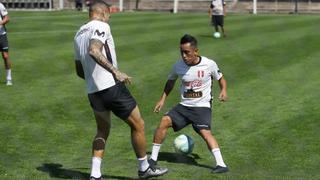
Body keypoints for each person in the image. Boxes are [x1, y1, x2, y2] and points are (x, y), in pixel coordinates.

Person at [73, 1, 168, 179]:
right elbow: (94, 50)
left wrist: (94, 82)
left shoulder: (78, 34)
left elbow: (79, 70)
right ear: (103, 13)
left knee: (102, 130)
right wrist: (116, 72)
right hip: (112, 87)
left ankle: (95, 174)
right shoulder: (101, 25)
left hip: (93, 92)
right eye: (109, 15)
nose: (109, 18)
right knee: (138, 125)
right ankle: (144, 168)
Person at [149, 34, 229, 173]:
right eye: (182, 52)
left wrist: (224, 90)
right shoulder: (178, 65)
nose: (184, 56)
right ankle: (152, 159)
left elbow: (220, 78)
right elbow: (170, 82)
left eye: (187, 52)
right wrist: (162, 99)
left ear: (196, 51)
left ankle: (221, 164)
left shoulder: (209, 64)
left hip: (201, 107)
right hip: (184, 106)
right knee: (163, 122)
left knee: (205, 133)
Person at [0, 2, 12, 85]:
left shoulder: (0, 5)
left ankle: (9, 78)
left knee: (5, 56)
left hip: (1, 35)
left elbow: (7, 18)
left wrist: (0, 23)